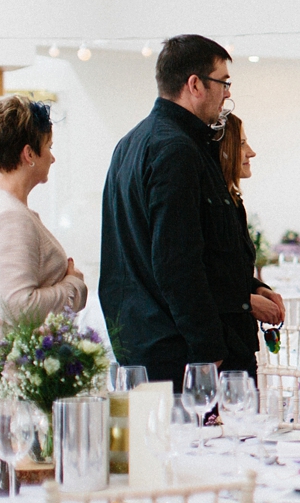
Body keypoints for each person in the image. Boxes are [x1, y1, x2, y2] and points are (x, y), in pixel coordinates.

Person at [100, 34, 280, 390]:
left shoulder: (131, 143)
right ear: (195, 84)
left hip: (148, 344)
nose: (228, 93)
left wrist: (252, 287)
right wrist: (207, 350)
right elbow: (176, 263)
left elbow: (208, 251)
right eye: (223, 82)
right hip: (182, 353)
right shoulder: (176, 149)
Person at [0, 96, 87, 351]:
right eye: (48, 146)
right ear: (29, 154)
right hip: (9, 367)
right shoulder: (10, 217)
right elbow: (18, 307)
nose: (52, 158)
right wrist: (73, 286)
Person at [215, 113, 284, 380]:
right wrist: (245, 303)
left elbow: (231, 272)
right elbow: (200, 277)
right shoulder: (212, 206)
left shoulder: (232, 201)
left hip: (240, 342)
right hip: (222, 345)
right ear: (222, 150)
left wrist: (259, 288)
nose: (251, 152)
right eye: (242, 143)